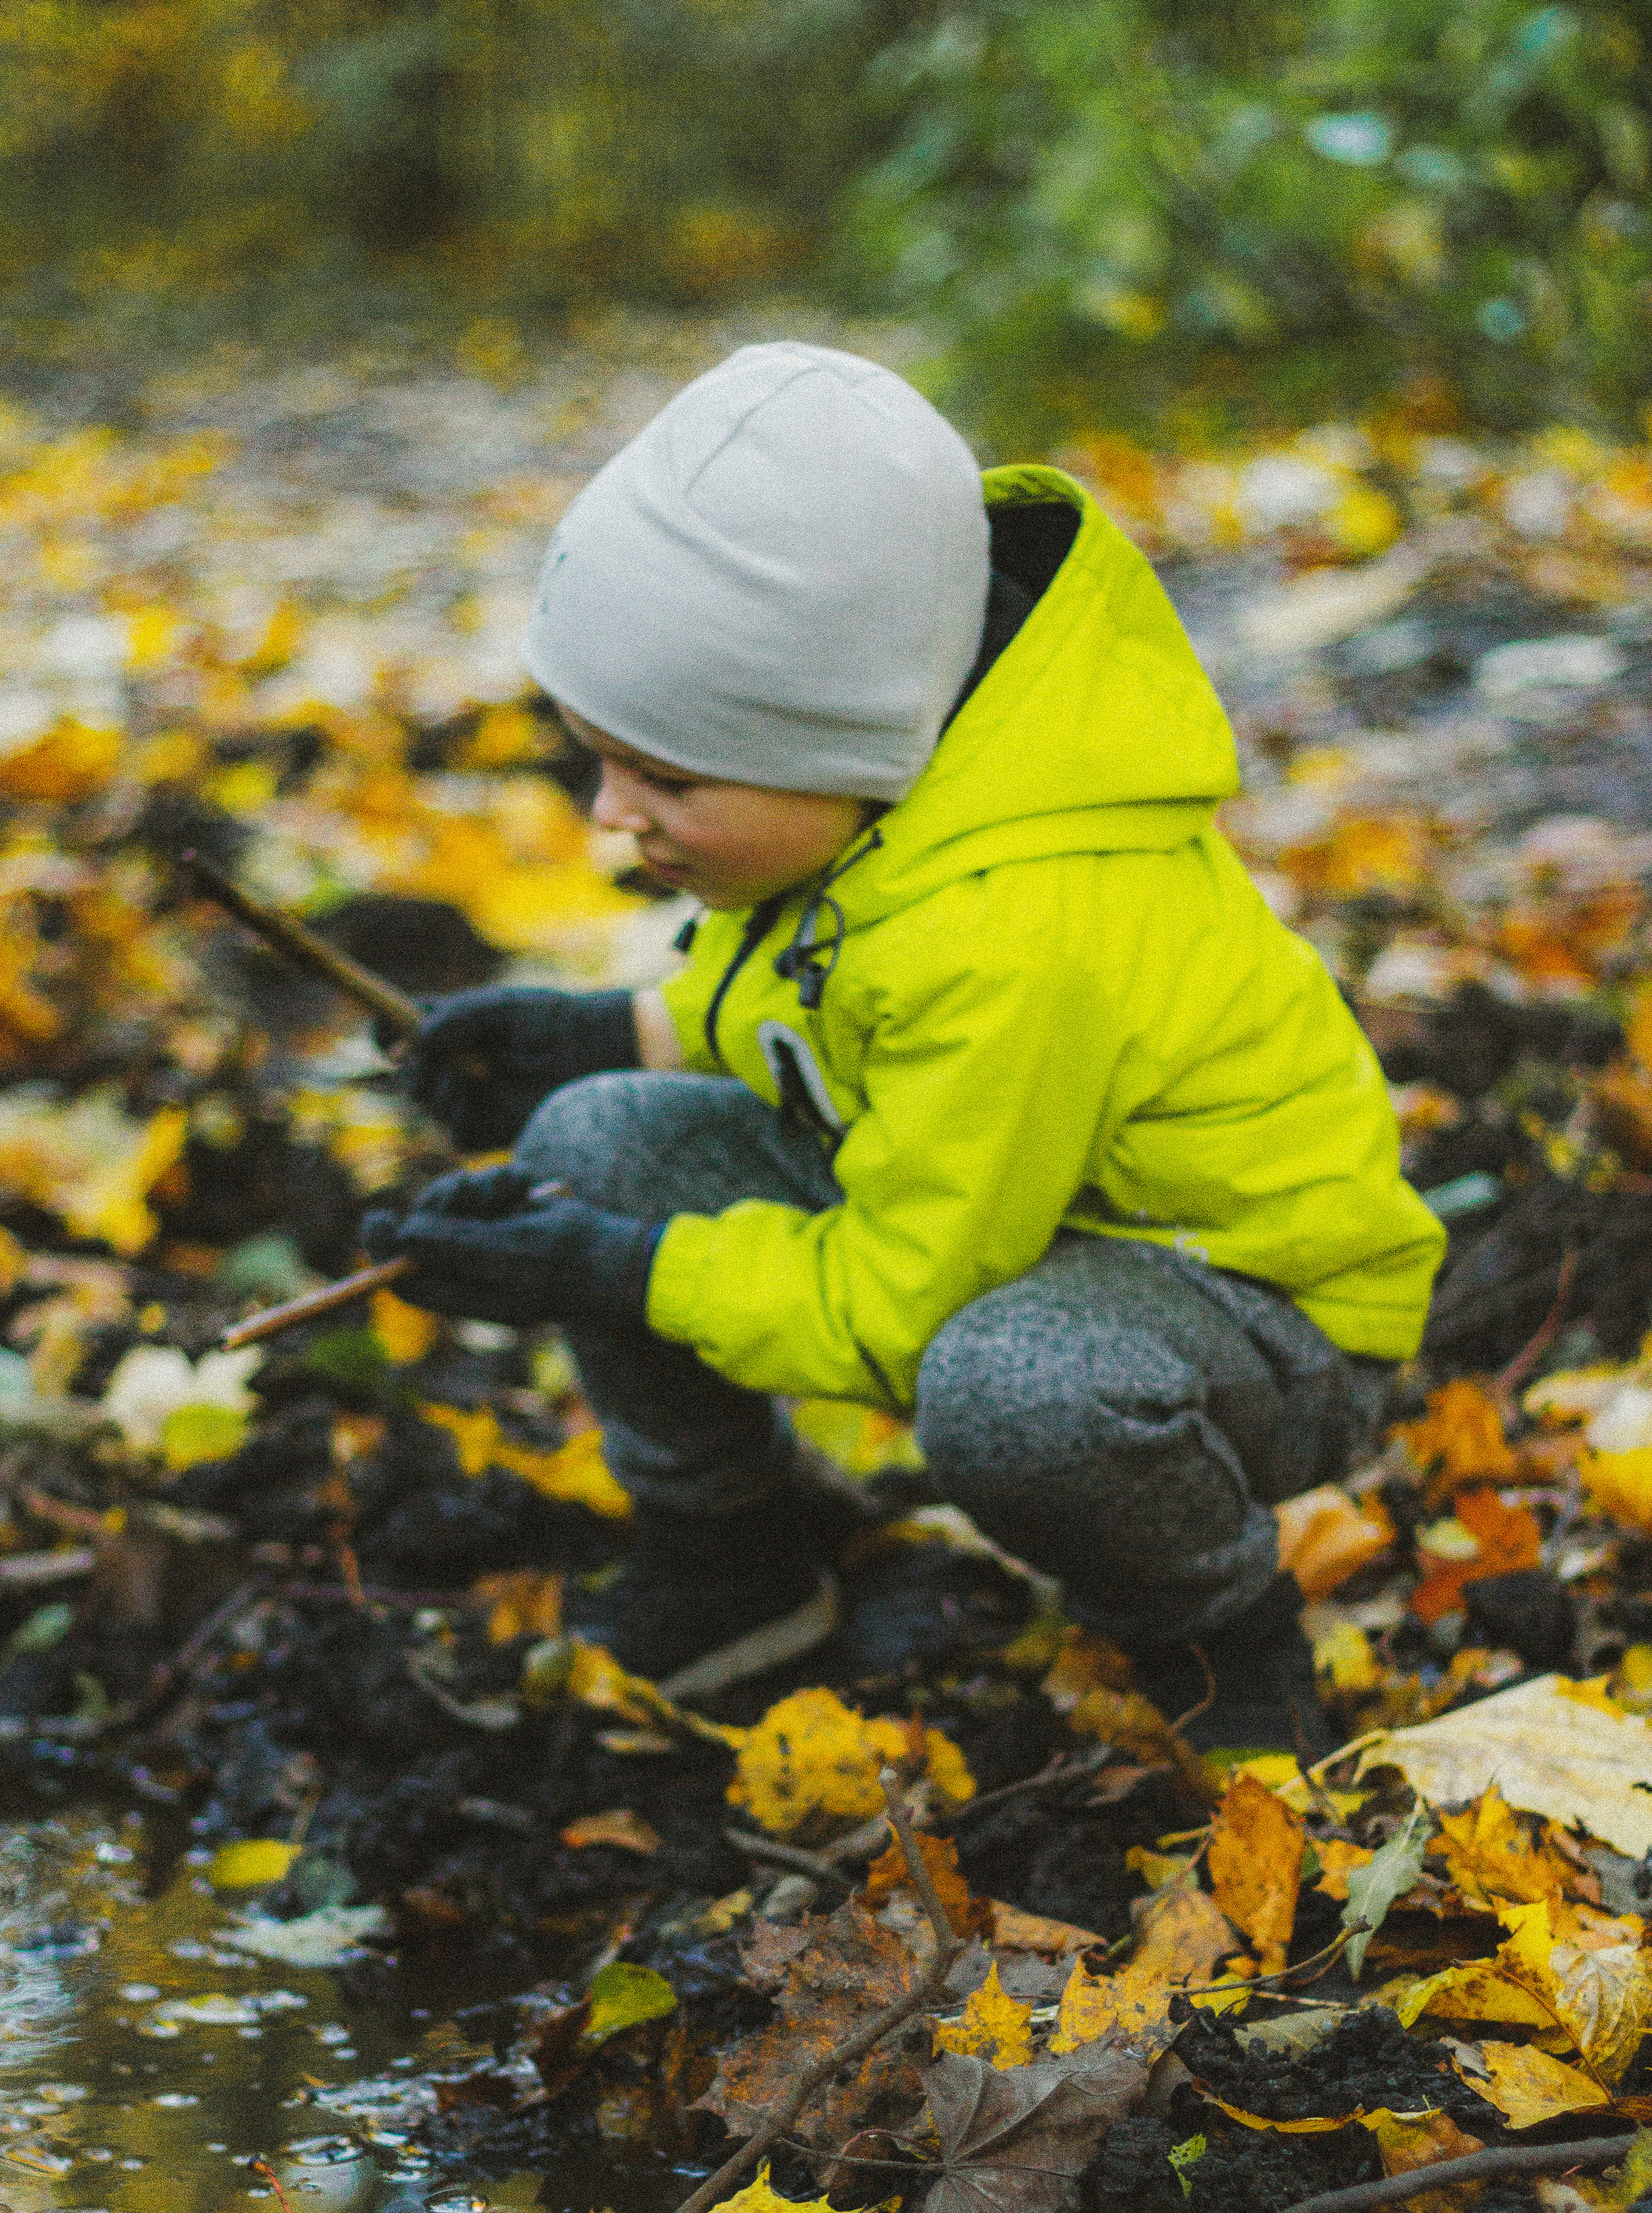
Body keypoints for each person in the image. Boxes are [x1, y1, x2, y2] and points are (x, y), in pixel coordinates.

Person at [366, 342, 1443, 1747]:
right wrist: (601, 1032)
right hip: (1012, 1226)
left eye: (666, 779)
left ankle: (1227, 1643)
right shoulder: (895, 788)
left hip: (1247, 1309)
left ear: (839, 749)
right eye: (598, 759)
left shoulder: (1017, 935)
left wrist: (609, 1273)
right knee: (593, 1142)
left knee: (1010, 1391)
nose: (607, 822)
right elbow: (822, 1000)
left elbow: (904, 1306)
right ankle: (741, 1548)